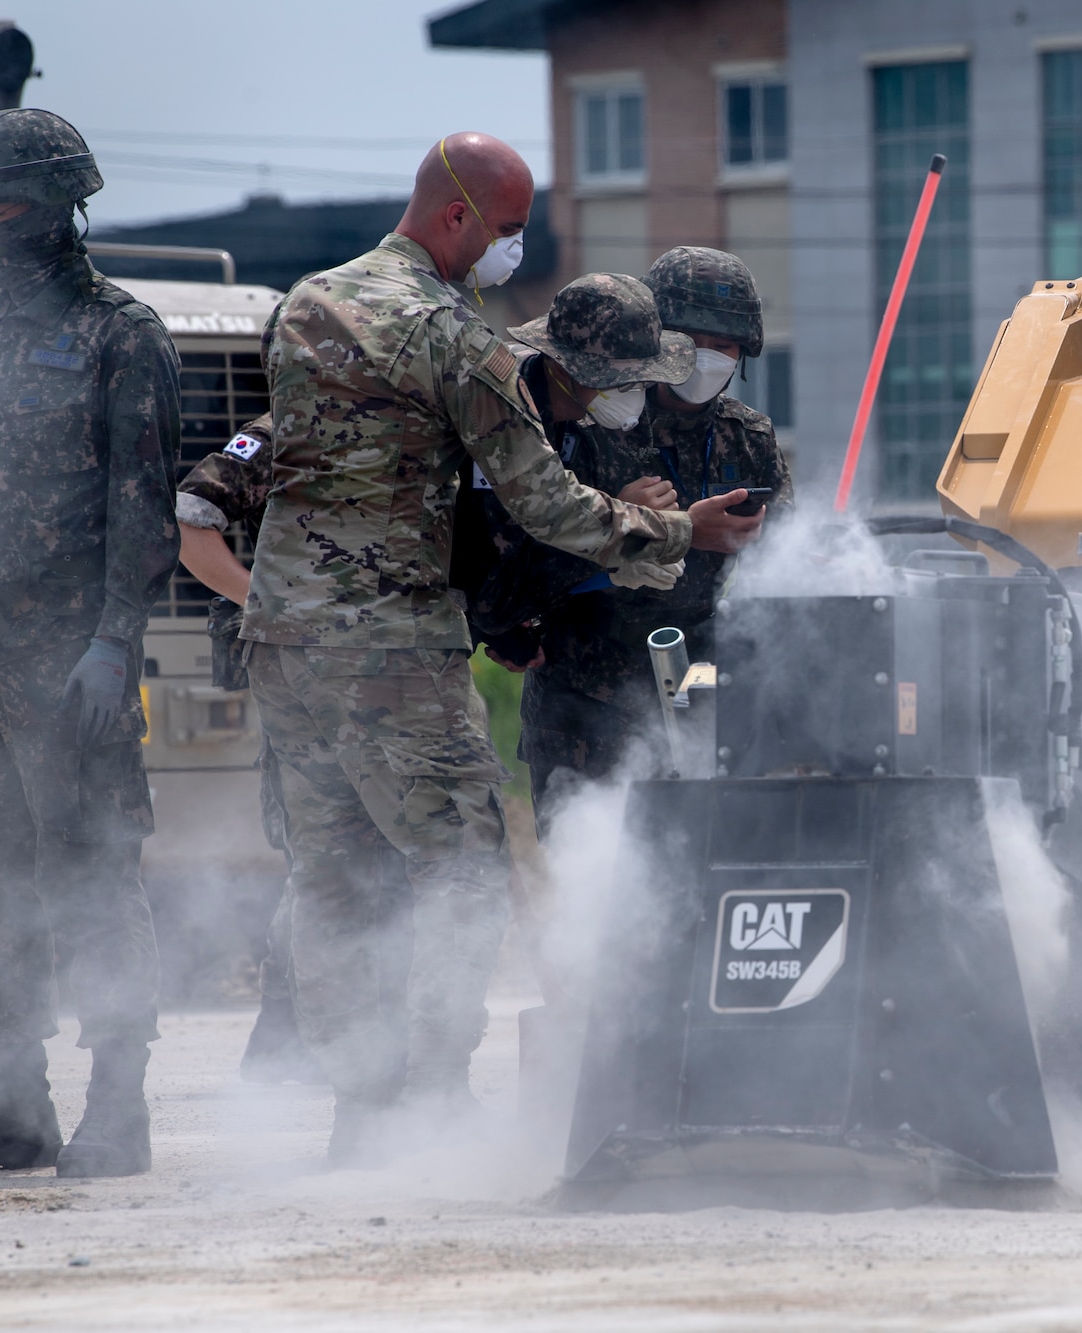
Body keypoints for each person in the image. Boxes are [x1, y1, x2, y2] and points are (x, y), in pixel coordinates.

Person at [243, 132, 761, 1163]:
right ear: (457, 218)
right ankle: (428, 1103)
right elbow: (538, 498)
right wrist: (673, 533)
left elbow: (294, 464)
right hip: (391, 640)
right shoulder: (452, 336)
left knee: (334, 877)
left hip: (287, 634)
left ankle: (358, 1117)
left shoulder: (305, 304)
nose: (515, 249)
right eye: (511, 229)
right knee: (464, 874)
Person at [0, 109, 181, 1177]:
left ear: (60, 207)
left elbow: (144, 509)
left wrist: (115, 641)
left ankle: (119, 1105)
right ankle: (12, 1101)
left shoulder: (121, 333)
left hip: (65, 663)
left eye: (5, 205)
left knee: (92, 874)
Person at [475, 248, 789, 829]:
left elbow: (786, 566)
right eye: (692, 341)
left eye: (725, 348)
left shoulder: (747, 438)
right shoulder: (590, 416)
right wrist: (645, 534)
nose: (707, 359)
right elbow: (515, 559)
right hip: (582, 700)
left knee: (700, 873)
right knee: (592, 880)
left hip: (699, 691)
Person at [175, 412, 328, 1086]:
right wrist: (261, 600)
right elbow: (192, 510)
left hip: (379, 668)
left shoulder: (406, 412)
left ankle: (318, 1035)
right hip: (300, 676)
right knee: (315, 856)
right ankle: (285, 1035)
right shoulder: (275, 432)